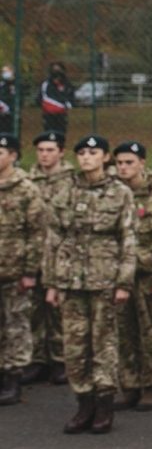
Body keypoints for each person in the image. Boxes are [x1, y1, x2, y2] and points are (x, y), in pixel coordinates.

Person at [43, 135, 136, 434]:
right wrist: (52, 282)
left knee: (104, 343)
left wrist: (124, 282)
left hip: (104, 278)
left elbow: (129, 238)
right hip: (71, 278)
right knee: (74, 344)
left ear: (105, 157)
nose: (86, 158)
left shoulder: (119, 193)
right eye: (81, 152)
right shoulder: (65, 190)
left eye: (93, 153)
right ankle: (84, 403)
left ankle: (104, 404)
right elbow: (53, 238)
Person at [110, 141, 152, 412]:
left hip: (147, 273)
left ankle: (151, 386)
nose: (123, 167)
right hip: (117, 275)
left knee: (150, 332)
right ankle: (129, 385)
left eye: (129, 162)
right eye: (119, 163)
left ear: (142, 163)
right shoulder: (111, 194)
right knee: (124, 332)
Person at [0, 133, 46, 406]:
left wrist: (30, 271)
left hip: (14, 270)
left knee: (16, 325)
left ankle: (13, 377)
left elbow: (37, 233)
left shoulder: (26, 189)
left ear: (13, 156)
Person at [24, 130, 73, 386]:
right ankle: (36, 359)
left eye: (50, 150)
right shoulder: (27, 180)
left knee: (59, 310)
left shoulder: (71, 179)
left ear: (61, 152)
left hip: (60, 254)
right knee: (33, 309)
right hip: (34, 253)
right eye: (41, 150)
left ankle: (61, 359)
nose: (44, 155)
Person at [38, 62, 74, 135]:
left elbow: (70, 95)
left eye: (59, 69)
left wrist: (68, 103)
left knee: (61, 132)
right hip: (49, 114)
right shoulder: (46, 84)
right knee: (49, 132)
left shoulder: (66, 84)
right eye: (54, 69)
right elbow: (42, 97)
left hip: (61, 114)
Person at [0, 65, 17, 132]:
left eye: (7, 71)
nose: (5, 73)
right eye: (3, 71)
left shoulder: (17, 85)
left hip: (12, 115)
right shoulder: (1, 85)